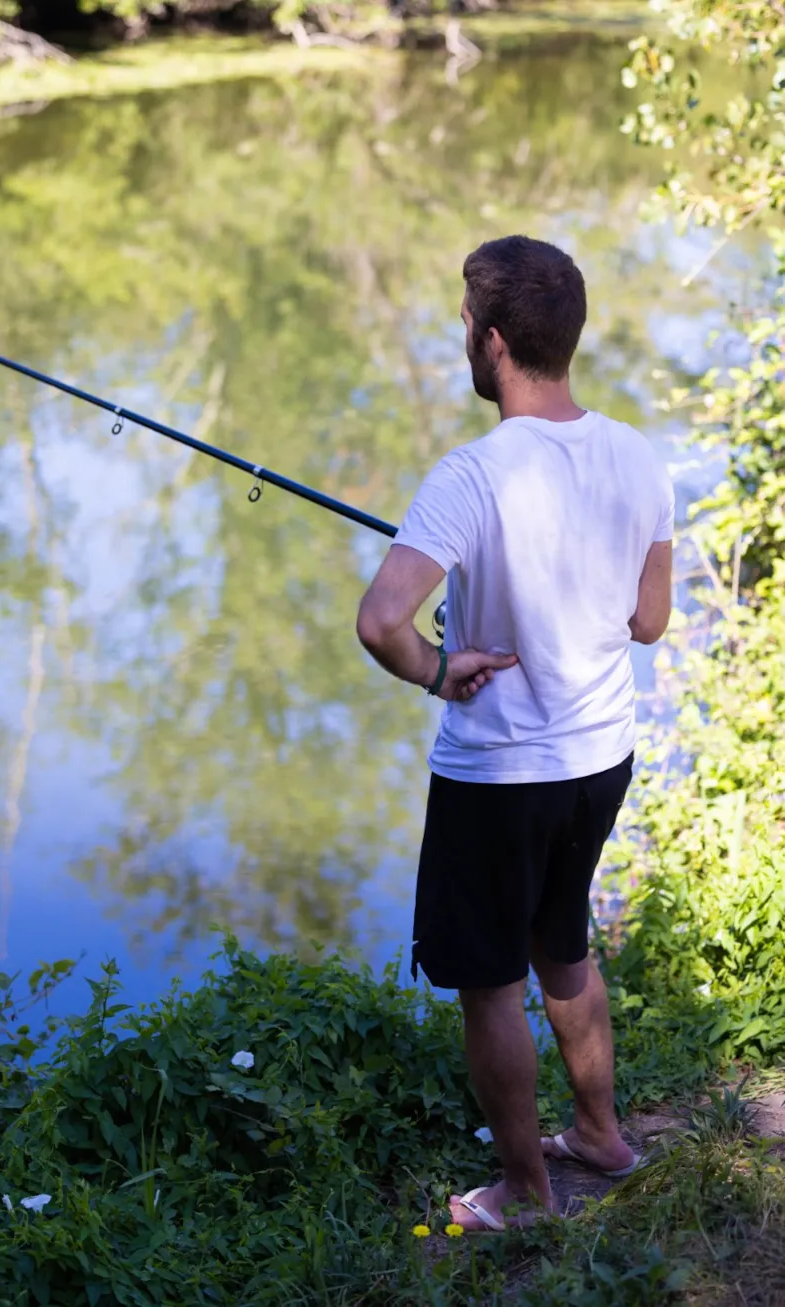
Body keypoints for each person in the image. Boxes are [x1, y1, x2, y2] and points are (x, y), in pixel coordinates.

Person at [356, 235, 673, 1232]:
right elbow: (648, 619)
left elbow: (380, 621)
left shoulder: (469, 474)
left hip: (498, 771)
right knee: (561, 946)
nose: (461, 337)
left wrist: (436, 668)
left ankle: (525, 1193)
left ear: (489, 342)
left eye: (461, 323)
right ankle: (599, 1134)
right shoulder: (635, 454)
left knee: (491, 982)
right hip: (598, 756)